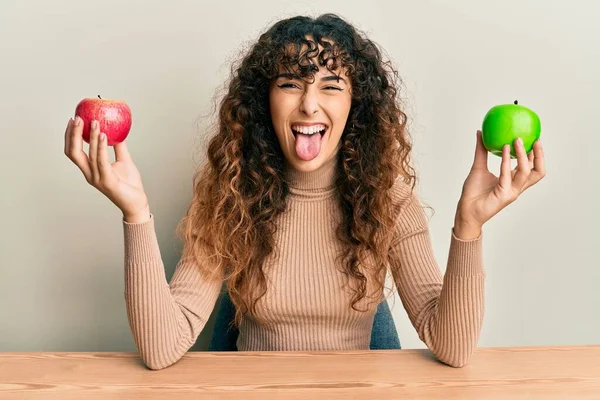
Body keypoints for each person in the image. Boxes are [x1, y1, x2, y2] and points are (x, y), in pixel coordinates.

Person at [63, 13, 545, 371]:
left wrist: (469, 226)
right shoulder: (230, 192)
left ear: (355, 105)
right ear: (263, 101)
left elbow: (454, 348)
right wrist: (136, 214)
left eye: (332, 85)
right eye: (290, 83)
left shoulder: (388, 197)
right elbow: (161, 348)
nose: (309, 104)